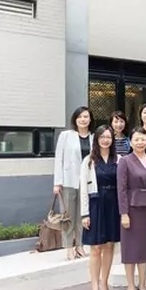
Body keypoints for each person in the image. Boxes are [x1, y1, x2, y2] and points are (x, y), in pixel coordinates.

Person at [118, 127, 146, 290]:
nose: (140, 142)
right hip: (132, 209)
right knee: (130, 250)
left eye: (143, 139)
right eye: (136, 139)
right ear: (130, 142)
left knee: (145, 248)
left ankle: (143, 285)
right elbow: (121, 190)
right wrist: (124, 213)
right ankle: (130, 286)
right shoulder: (125, 161)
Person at [79, 124, 120, 290]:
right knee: (96, 248)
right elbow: (83, 190)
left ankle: (104, 283)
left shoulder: (118, 159)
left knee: (110, 245)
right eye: (102, 136)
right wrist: (84, 213)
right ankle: (94, 289)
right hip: (95, 205)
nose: (105, 140)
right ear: (96, 139)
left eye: (108, 137)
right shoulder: (89, 161)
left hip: (113, 205)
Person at [54, 106, 94, 260]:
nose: (83, 120)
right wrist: (57, 182)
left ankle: (80, 246)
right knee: (69, 216)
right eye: (80, 117)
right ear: (75, 119)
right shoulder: (66, 136)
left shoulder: (93, 137)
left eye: (86, 117)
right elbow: (59, 159)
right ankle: (69, 247)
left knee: (83, 216)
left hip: (87, 182)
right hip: (69, 181)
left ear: (90, 119)